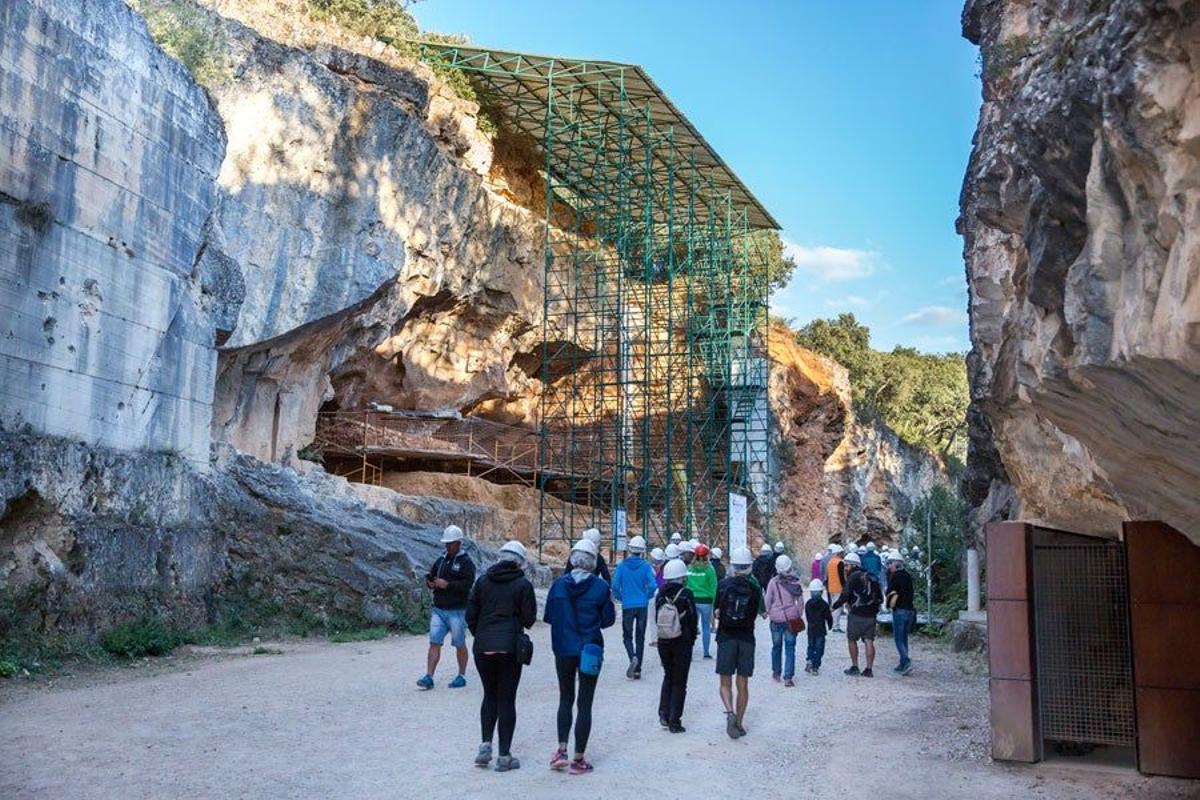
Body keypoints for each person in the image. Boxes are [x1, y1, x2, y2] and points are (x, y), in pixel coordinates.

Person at [544, 538, 616, 774]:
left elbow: (549, 617)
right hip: (590, 649)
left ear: (572, 559)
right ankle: (579, 759)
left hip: (564, 648)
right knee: (585, 703)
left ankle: (561, 750)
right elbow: (608, 620)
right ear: (593, 562)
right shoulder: (601, 587)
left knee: (565, 697)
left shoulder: (559, 585)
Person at [466, 540, 537, 772]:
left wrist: (483, 635)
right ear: (520, 562)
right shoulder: (523, 585)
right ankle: (504, 756)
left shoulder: (482, 581)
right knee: (507, 698)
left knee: (489, 695)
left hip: (483, 646)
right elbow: (529, 619)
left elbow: (471, 615)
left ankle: (485, 744)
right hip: (509, 647)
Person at [418, 525, 476, 690]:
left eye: (450, 543)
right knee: (434, 642)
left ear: (458, 543)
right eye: (446, 543)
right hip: (439, 609)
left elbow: (468, 585)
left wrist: (448, 585)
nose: (447, 546)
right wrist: (430, 583)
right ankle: (429, 676)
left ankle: (461, 675)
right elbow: (433, 575)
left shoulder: (466, 563)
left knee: (459, 643)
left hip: (457, 611)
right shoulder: (441, 560)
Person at [714, 547, 763, 739]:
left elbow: (716, 610)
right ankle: (740, 723)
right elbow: (757, 612)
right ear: (749, 567)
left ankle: (729, 712)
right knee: (743, 683)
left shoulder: (723, 585)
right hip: (746, 638)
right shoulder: (755, 588)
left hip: (726, 637)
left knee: (725, 681)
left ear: (733, 566)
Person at [655, 558, 698, 733]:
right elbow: (693, 619)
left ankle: (663, 713)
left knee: (668, 676)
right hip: (682, 641)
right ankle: (675, 721)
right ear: (682, 577)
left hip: (663, 640)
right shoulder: (686, 595)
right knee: (680, 681)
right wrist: (692, 638)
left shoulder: (660, 595)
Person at [611, 535, 657, 679]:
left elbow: (615, 585)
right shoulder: (646, 566)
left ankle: (632, 658)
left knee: (627, 636)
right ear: (642, 551)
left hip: (628, 605)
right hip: (642, 604)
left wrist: (620, 597)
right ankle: (638, 670)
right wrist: (647, 596)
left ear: (630, 549)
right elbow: (653, 585)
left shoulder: (622, 566)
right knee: (640, 637)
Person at [832, 551, 882, 677]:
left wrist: (834, 606)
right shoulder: (872, 576)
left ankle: (855, 667)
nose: (845, 569)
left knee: (852, 639)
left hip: (856, 614)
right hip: (871, 615)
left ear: (853, 565)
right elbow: (880, 597)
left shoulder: (853, 577)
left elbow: (845, 595)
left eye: (847, 566)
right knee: (869, 640)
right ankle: (869, 669)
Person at [765, 555, 806, 687]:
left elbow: (768, 600)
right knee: (790, 648)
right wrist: (797, 615)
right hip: (791, 619)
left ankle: (776, 673)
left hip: (776, 619)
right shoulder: (795, 582)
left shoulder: (773, 582)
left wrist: (768, 612)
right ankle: (788, 677)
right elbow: (800, 603)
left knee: (776, 647)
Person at [687, 543, 718, 660]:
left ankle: (689, 651)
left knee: (692, 627)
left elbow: (686, 583)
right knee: (706, 627)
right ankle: (706, 652)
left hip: (693, 600)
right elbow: (714, 587)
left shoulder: (690, 568)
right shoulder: (710, 570)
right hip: (706, 601)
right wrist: (715, 604)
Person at [887, 550, 915, 675]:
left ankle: (906, 661)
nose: (889, 566)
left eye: (890, 564)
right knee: (904, 638)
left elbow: (889, 591)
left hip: (899, 610)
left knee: (898, 638)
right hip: (909, 610)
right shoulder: (908, 575)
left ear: (895, 564)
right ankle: (903, 663)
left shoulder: (895, 577)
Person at [804, 578, 833, 674]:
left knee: (811, 646)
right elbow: (828, 617)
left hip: (811, 629)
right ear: (821, 592)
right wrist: (830, 625)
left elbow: (807, 616)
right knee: (819, 648)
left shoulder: (808, 604)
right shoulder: (824, 605)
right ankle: (815, 666)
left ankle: (809, 660)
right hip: (821, 630)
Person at [826, 544, 845, 633]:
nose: (843, 554)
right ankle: (836, 626)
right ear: (839, 553)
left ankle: (833, 624)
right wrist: (845, 587)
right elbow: (841, 577)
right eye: (842, 553)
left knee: (833, 605)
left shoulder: (830, 562)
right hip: (838, 588)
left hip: (831, 587)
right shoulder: (840, 562)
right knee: (838, 607)